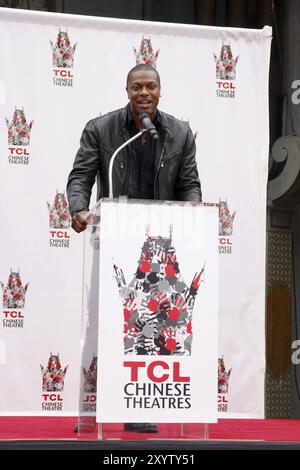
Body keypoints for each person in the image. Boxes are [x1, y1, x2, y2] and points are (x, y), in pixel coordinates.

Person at [67, 63, 202, 433]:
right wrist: (78, 207)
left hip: (159, 244)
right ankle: (91, 408)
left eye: (151, 87)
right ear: (127, 91)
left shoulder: (179, 134)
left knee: (148, 322)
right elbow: (81, 175)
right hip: (114, 236)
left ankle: (137, 405)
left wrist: (193, 212)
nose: (145, 93)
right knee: (104, 323)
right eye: (137, 87)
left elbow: (189, 183)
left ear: (160, 90)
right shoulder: (102, 129)